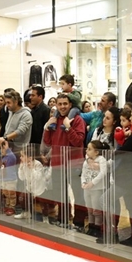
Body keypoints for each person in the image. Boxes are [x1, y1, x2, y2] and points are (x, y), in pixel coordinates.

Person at [101, 104, 132, 245]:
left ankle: (112, 232)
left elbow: (122, 151)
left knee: (104, 200)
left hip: (127, 176)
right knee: (130, 205)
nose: (130, 119)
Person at [42, 94, 86, 227]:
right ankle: (63, 218)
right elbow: (48, 142)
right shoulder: (54, 120)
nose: (62, 106)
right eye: (59, 104)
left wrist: (68, 128)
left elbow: (78, 141)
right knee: (59, 193)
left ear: (70, 105)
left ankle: (79, 222)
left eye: (65, 104)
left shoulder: (77, 120)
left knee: (78, 194)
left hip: (74, 163)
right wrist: (46, 129)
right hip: (57, 164)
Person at [81, 140, 109, 237]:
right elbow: (83, 173)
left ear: (96, 152)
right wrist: (83, 182)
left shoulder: (101, 160)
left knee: (96, 210)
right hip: (87, 189)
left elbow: (103, 173)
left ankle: (97, 228)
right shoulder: (86, 161)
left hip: (97, 189)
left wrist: (93, 183)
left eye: (89, 149)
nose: (86, 151)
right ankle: (91, 226)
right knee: (89, 208)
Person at [0, 140, 18, 215]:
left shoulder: (11, 156)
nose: (1, 150)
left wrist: (7, 149)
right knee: (6, 194)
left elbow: (12, 156)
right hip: (4, 178)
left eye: (2, 148)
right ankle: (7, 206)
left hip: (11, 179)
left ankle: (12, 207)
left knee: (12, 194)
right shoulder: (4, 157)